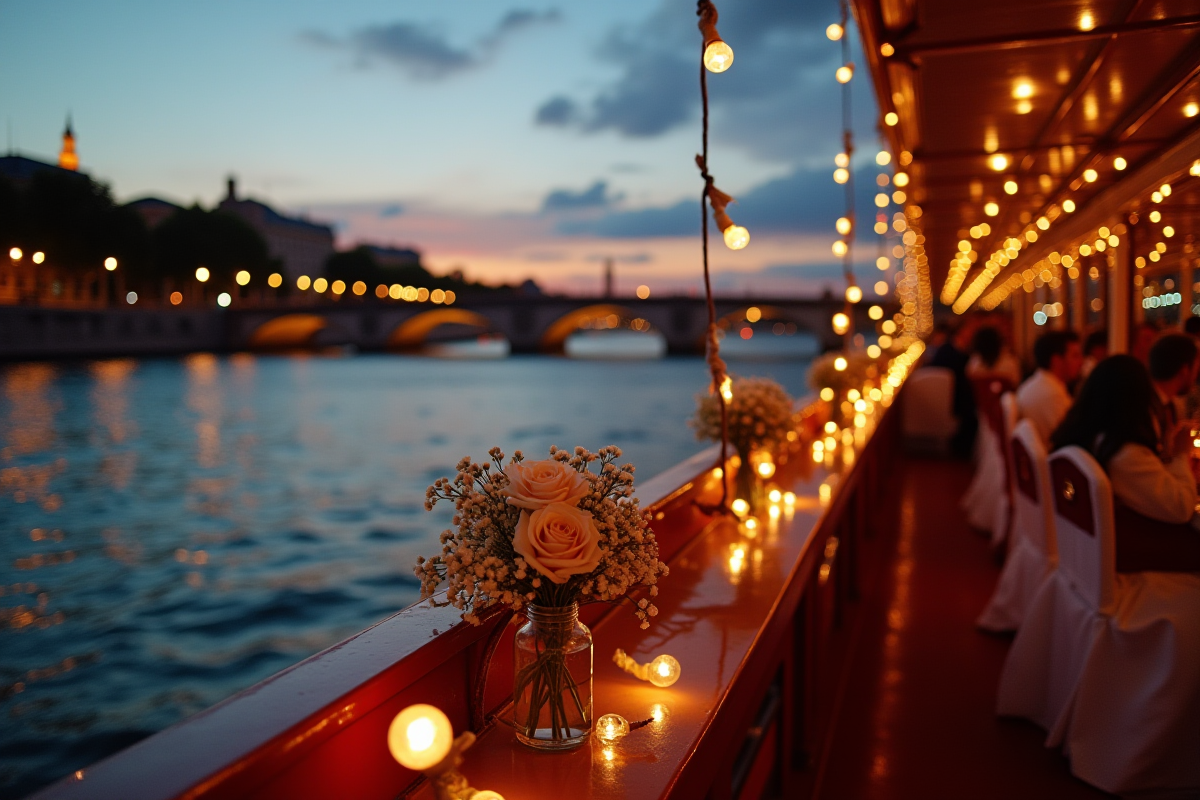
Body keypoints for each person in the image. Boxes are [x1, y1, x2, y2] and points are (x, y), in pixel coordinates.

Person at [1051, 355, 1195, 523]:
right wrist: (1180, 454)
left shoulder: (1086, 434)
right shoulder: (1125, 453)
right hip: (1133, 546)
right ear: (1138, 398)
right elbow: (1182, 507)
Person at [1016, 330, 1083, 443]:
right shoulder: (1051, 394)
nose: (1081, 362)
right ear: (1056, 361)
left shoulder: (1039, 384)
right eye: (1075, 356)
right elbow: (1073, 439)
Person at [931, 317, 979, 457]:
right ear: (962, 332)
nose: (973, 333)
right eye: (970, 330)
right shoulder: (949, 351)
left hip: (954, 397)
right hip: (949, 400)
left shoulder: (958, 350)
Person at [1148, 333, 1199, 435]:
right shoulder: (1148, 412)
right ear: (1184, 371)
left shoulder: (1166, 406)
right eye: (1196, 370)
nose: (1196, 377)